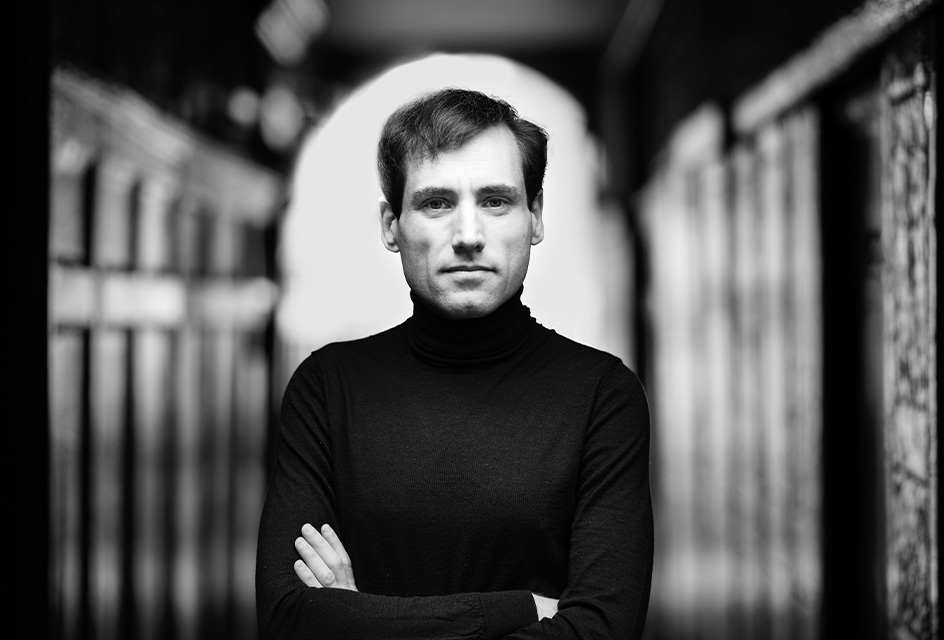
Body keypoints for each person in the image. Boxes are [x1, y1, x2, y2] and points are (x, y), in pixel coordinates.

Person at [256, 87, 653, 639]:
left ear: (535, 216)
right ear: (391, 224)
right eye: (436, 203)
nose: (468, 236)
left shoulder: (602, 397)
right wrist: (519, 611)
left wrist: (361, 621)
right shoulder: (327, 390)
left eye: (496, 201)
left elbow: (601, 631)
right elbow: (290, 621)